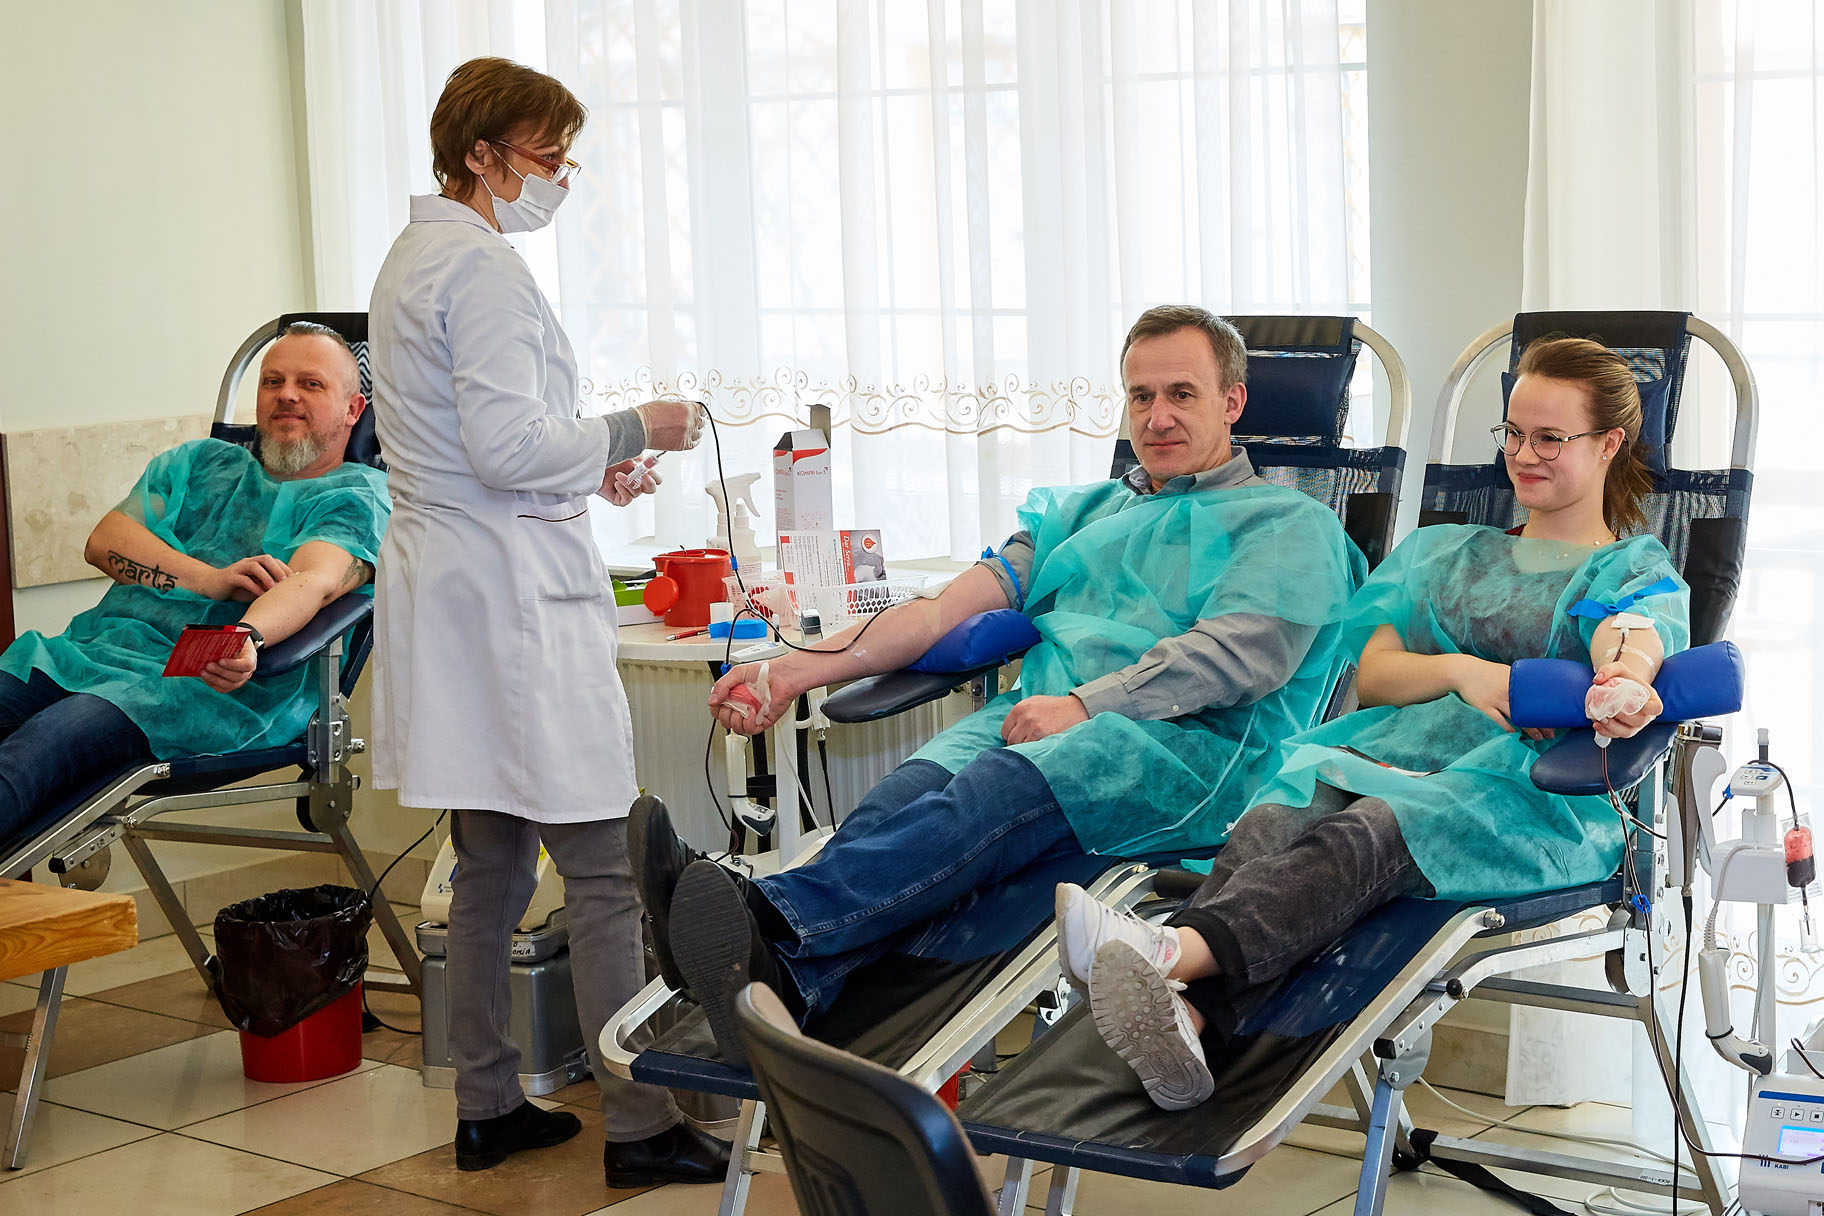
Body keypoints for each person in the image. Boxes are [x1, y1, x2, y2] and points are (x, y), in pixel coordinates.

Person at [632, 305, 1367, 1066]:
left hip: (1185, 753)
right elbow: (937, 613)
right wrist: (793, 671)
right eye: (1141, 396)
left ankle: (763, 918)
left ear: (1232, 401)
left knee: (987, 795)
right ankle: (786, 976)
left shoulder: (1287, 526)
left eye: (1182, 393)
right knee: (900, 800)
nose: (1158, 416)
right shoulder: (1078, 515)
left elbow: (1230, 659)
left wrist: (1083, 705)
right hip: (1037, 720)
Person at [1059, 336, 1689, 1110]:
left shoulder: (1627, 569)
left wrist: (1624, 681)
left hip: (1520, 798)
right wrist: (1461, 671)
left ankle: (1170, 950)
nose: (1524, 456)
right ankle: (1191, 1016)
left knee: (1366, 835)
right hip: (1386, 755)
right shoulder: (1443, 552)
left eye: (1550, 438)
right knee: (1272, 824)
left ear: (1609, 444)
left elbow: (1630, 636)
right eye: (1514, 434)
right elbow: (1380, 672)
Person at [365, 57, 726, 1186]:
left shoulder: (412, 257)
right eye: (545, 155)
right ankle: (641, 1125)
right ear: (480, 155)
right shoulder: (480, 268)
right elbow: (506, 446)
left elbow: (483, 449)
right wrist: (637, 428)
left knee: (490, 863)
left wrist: (586, 473)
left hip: (460, 584)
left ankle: (486, 1104)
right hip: (509, 602)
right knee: (604, 870)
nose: (560, 177)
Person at [0, 322, 387, 843]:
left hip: (200, 690)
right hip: (87, 655)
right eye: (273, 381)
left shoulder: (357, 497)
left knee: (36, 751)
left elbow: (313, 580)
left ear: (353, 409)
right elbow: (105, 541)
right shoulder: (200, 464)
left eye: (311, 384)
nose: (287, 395)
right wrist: (209, 580)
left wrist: (245, 637)